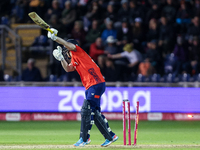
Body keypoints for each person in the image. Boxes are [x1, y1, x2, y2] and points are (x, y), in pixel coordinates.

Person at [47, 28, 118, 147]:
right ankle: (110, 136)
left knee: (86, 110)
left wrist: (55, 38)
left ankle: (84, 139)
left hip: (95, 83)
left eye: (66, 52)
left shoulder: (78, 51)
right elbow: (68, 69)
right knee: (94, 112)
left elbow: (67, 44)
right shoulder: (75, 59)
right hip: (93, 85)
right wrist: (61, 59)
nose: (67, 53)